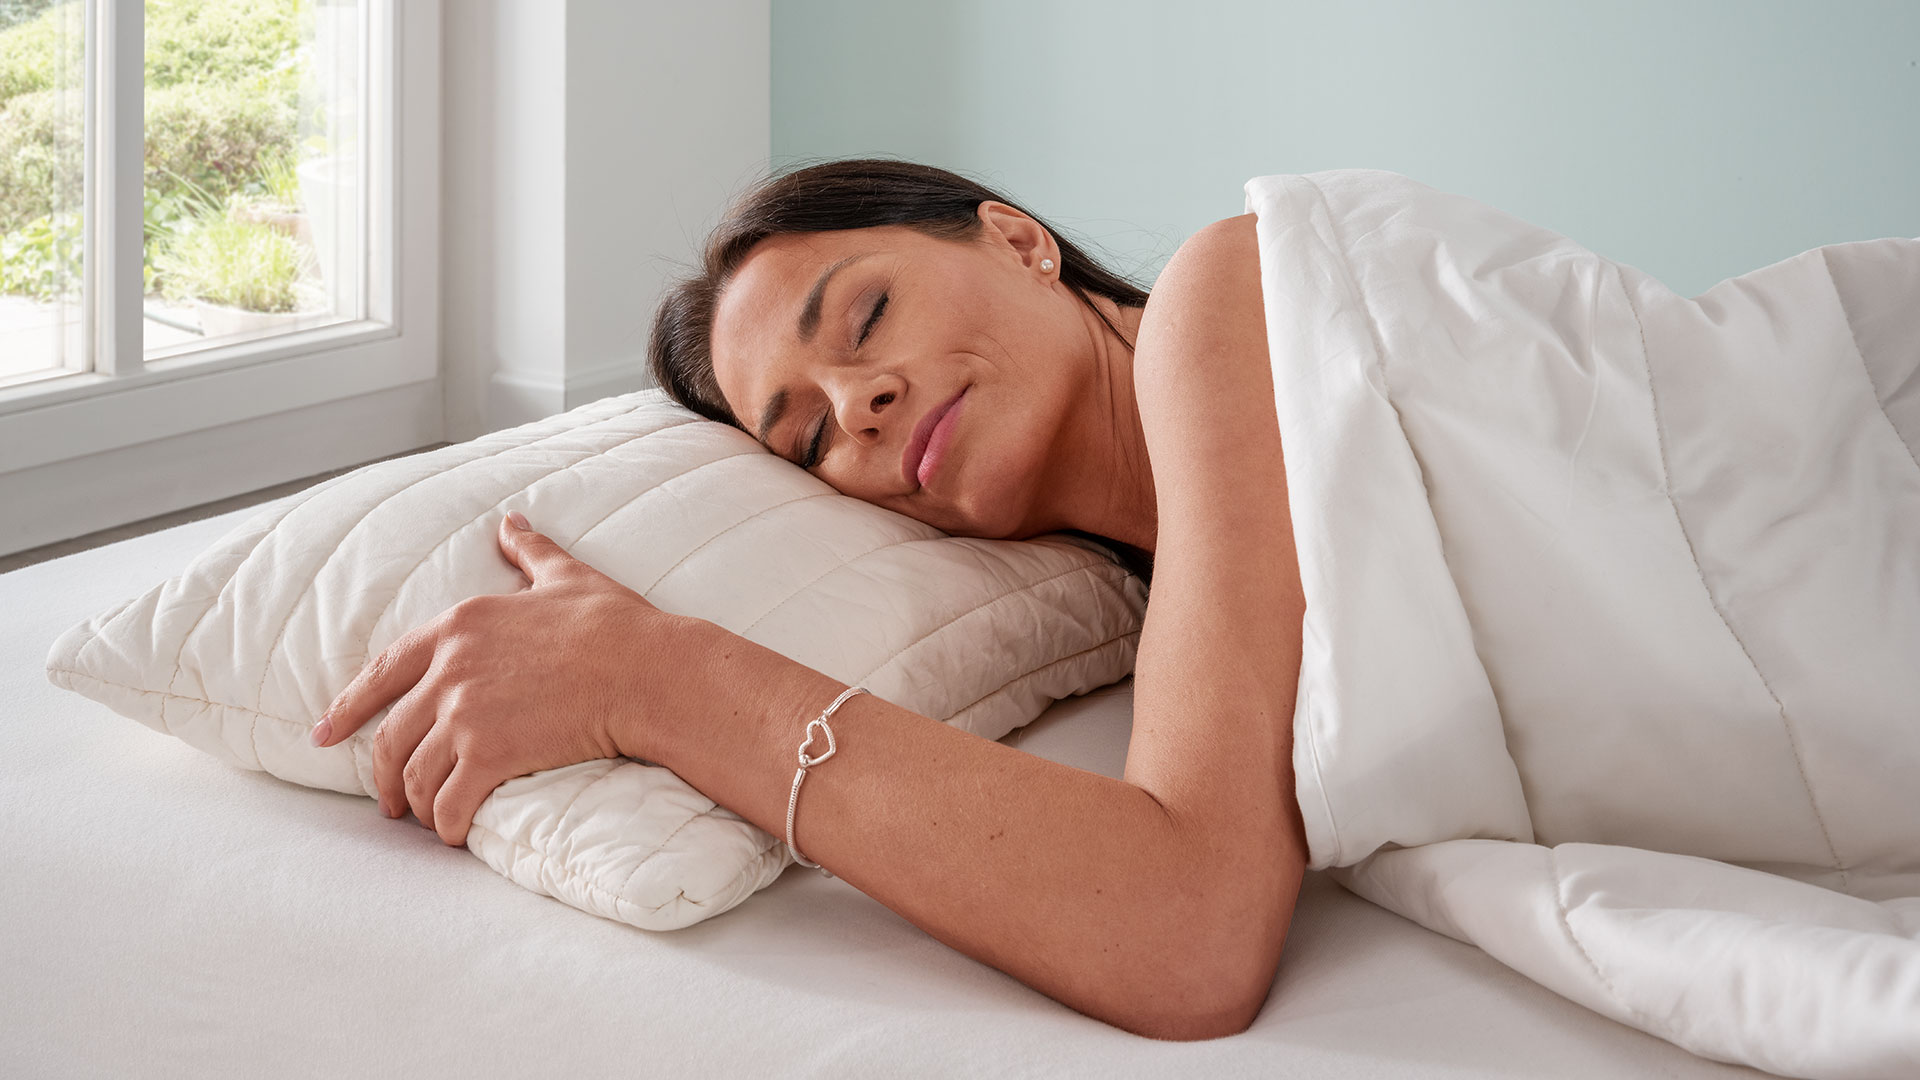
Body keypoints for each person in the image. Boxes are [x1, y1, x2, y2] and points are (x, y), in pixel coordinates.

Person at [308, 158, 1307, 1041]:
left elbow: (1189, 933)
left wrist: (650, 673)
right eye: (808, 439)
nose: (854, 405)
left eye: (867, 316)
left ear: (1016, 241)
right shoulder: (1176, 599)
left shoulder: (1229, 291)